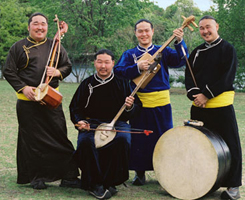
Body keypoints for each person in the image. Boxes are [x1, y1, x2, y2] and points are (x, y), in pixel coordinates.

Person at [3, 12, 80, 189]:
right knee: (31, 141)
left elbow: (67, 66)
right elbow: (8, 71)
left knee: (59, 137)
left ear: (47, 26)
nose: (40, 27)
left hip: (51, 100)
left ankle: (68, 176)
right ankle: (36, 177)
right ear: (29, 26)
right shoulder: (18, 47)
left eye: (43, 24)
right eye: (36, 24)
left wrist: (58, 72)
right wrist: (24, 88)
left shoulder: (56, 45)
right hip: (27, 103)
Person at [114, 19, 188, 185]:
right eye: (140, 31)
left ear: (152, 31)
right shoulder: (129, 54)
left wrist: (179, 42)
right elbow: (118, 71)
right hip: (140, 103)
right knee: (140, 137)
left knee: (164, 137)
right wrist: (137, 67)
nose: (144, 34)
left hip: (162, 102)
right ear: (136, 33)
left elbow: (181, 60)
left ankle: (165, 172)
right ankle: (140, 173)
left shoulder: (163, 51)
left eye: (147, 30)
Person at [69, 49, 142, 199]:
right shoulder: (87, 84)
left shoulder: (123, 83)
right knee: (86, 142)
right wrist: (80, 121)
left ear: (113, 63)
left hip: (117, 123)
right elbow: (75, 107)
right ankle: (94, 183)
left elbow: (136, 109)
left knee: (123, 139)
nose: (103, 66)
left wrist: (129, 106)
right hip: (91, 122)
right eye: (100, 62)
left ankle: (111, 181)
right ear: (94, 63)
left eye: (107, 62)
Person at [185, 15, 242, 199]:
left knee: (230, 146)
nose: (205, 31)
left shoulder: (228, 49)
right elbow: (189, 76)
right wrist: (195, 94)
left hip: (221, 107)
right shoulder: (196, 52)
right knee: (199, 146)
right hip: (198, 107)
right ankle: (203, 183)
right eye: (201, 28)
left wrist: (206, 95)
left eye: (208, 27)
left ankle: (233, 187)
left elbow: (227, 77)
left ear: (217, 26)